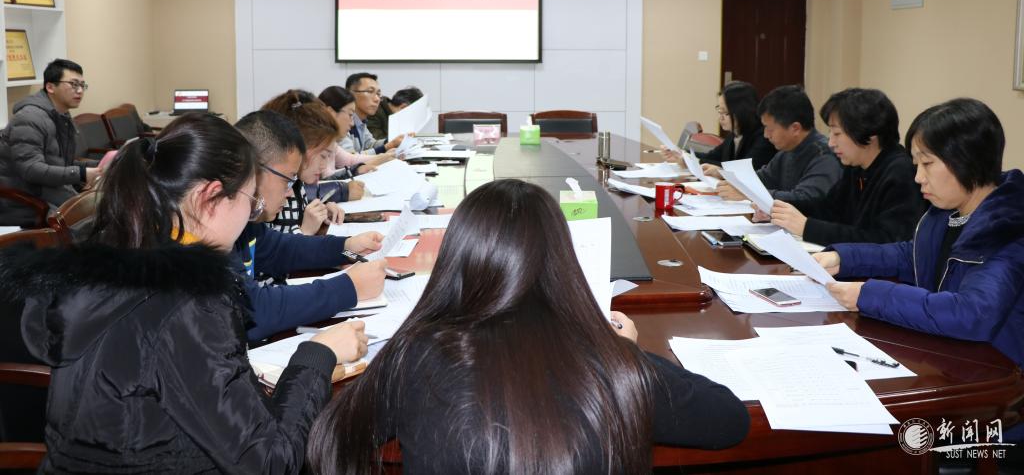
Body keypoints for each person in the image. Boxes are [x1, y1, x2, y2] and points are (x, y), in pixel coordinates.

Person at [0, 113, 369, 472]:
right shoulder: (187, 302)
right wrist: (318, 355)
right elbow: (272, 461)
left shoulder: (124, 254)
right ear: (210, 197)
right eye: (250, 201)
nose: (251, 214)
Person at [306, 179, 750, 474]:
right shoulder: (609, 362)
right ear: (562, 262)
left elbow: (330, 438)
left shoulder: (414, 354)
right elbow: (729, 420)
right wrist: (628, 351)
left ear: (457, 261)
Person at [814, 98, 1024, 371]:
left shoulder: (1008, 227)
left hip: (1001, 377)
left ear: (966, 160)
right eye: (916, 165)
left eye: (927, 164)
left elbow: (971, 314)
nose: (918, 178)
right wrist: (843, 258)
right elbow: (910, 255)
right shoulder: (948, 212)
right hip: (948, 357)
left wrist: (869, 295)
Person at [235, 111, 386, 341]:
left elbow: (283, 249)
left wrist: (347, 247)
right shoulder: (214, 233)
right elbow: (255, 311)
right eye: (287, 180)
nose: (289, 193)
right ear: (254, 171)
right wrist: (349, 287)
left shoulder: (246, 224)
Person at [770, 88, 925, 245]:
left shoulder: (901, 173)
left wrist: (806, 227)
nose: (831, 143)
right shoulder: (856, 167)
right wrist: (778, 210)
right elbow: (828, 209)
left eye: (837, 134)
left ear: (869, 134)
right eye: (830, 133)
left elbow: (885, 240)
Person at [0, 59, 100, 222]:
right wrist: (81, 174)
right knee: (98, 218)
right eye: (73, 84)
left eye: (83, 85)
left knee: (108, 207)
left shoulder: (60, 115)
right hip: (26, 203)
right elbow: (31, 169)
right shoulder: (29, 118)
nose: (80, 90)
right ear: (50, 87)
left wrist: (97, 166)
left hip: (49, 192)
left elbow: (59, 162)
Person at [715, 85, 841, 206]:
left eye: (770, 129)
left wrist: (749, 194)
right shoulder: (786, 151)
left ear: (795, 128)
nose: (766, 135)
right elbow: (762, 178)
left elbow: (805, 199)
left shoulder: (824, 156)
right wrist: (730, 179)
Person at [262, 90, 357, 235]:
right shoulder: (273, 189)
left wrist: (321, 212)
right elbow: (269, 245)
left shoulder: (297, 183)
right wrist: (305, 231)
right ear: (301, 147)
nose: (324, 166)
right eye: (323, 156)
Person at [662, 81, 775, 171]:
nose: (720, 118)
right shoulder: (735, 134)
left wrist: (690, 161)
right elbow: (712, 157)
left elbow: (744, 169)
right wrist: (682, 153)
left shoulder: (763, 137)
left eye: (725, 112)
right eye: (719, 111)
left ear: (742, 111)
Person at [318, 85, 394, 180]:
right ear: (330, 112)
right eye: (350, 115)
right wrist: (360, 168)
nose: (352, 123)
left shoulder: (330, 142)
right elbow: (326, 179)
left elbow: (350, 160)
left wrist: (383, 157)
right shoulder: (315, 142)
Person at [341, 72, 407, 155]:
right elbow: (349, 158)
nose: (377, 99)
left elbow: (370, 145)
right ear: (351, 94)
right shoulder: (341, 121)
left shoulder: (361, 121)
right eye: (370, 91)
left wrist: (392, 141)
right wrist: (386, 147)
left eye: (378, 94)